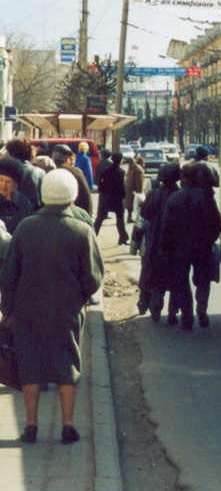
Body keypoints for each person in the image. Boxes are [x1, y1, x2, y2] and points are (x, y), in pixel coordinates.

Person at [0, 169, 104, 444]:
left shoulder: (25, 228)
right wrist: (78, 297)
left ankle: (31, 426)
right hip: (66, 311)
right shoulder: (82, 230)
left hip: (26, 309)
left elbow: (9, 274)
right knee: (67, 364)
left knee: (29, 365)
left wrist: (7, 310)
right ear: (72, 196)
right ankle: (68, 425)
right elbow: (93, 278)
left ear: (44, 195)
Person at [160, 163, 221, 331]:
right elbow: (218, 223)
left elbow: (166, 227)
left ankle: (186, 318)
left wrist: (164, 248)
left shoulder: (174, 199)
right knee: (203, 279)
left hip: (179, 250)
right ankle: (202, 306)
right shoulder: (206, 198)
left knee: (182, 282)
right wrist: (210, 239)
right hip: (202, 248)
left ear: (184, 178)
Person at [138, 163, 181, 322]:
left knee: (156, 276)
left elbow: (145, 215)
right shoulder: (180, 194)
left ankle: (156, 307)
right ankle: (172, 312)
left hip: (155, 241)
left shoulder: (154, 194)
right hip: (176, 243)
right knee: (175, 277)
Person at [94, 151, 129, 245]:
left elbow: (99, 183)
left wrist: (103, 192)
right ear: (120, 160)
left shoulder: (106, 169)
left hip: (106, 197)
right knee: (120, 219)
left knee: (100, 218)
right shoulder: (121, 171)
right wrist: (123, 196)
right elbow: (122, 186)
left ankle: (93, 235)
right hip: (117, 199)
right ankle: (122, 238)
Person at [51, 144, 93, 217]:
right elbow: (86, 197)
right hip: (72, 215)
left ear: (53, 157)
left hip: (49, 215)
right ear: (67, 159)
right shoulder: (76, 172)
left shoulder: (46, 169)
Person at [5, 138, 44, 210]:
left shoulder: (6, 172)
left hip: (12, 215)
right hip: (36, 214)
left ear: (10, 153)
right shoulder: (40, 172)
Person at [0, 157, 34, 236]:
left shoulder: (23, 203)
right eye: (1, 180)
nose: (3, 185)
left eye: (8, 181)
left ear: (16, 184)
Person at [124, 154, 146, 224]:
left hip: (129, 188)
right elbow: (139, 180)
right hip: (135, 190)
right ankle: (139, 218)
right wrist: (140, 190)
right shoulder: (139, 169)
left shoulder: (131, 167)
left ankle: (129, 217)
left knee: (130, 204)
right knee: (139, 204)